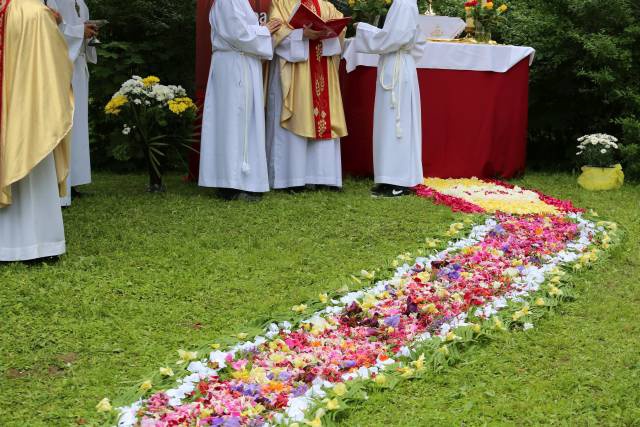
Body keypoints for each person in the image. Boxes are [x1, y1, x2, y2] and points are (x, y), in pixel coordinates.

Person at [0, 0, 74, 261]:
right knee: (34, 151)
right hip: (28, 116)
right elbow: (54, 72)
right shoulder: (36, 13)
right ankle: (38, 246)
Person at [198, 0, 281, 202]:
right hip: (234, 64)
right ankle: (231, 182)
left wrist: (260, 31)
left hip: (241, 62)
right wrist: (265, 30)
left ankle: (244, 180)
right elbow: (239, 34)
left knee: (242, 121)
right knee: (234, 122)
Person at [267, 0, 347, 192]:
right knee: (298, 117)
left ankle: (324, 177)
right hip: (296, 70)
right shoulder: (281, 2)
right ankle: (290, 179)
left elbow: (340, 31)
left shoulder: (326, 6)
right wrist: (300, 34)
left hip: (322, 69)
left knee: (322, 120)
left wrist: (329, 32)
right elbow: (275, 32)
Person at [354, 0, 425, 197]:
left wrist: (362, 29)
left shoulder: (404, 3)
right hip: (393, 63)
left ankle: (398, 180)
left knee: (397, 124)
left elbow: (394, 38)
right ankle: (387, 177)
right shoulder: (400, 3)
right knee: (387, 124)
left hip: (397, 65)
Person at [47, 0, 97, 206]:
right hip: (61, 67)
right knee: (64, 123)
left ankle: (74, 180)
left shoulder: (80, 2)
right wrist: (79, 32)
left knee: (77, 126)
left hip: (78, 66)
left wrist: (89, 32)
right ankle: (60, 185)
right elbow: (49, 28)